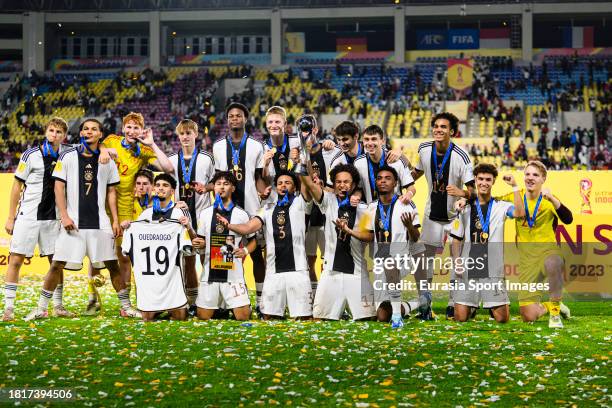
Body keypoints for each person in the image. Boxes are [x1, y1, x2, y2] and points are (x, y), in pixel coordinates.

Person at [25, 118, 140, 320]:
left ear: (100, 134)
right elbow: (58, 187)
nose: (89, 132)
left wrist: (114, 219)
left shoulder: (108, 160)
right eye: (85, 129)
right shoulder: (68, 156)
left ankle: (126, 307)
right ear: (81, 134)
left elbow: (112, 192)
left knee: (112, 265)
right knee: (56, 264)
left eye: (94, 129)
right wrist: (65, 216)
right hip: (74, 223)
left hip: (100, 223)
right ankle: (41, 308)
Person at [88, 112, 174, 314]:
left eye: (136, 128)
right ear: (123, 128)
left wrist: (152, 144)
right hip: (100, 202)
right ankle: (93, 298)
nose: (131, 131)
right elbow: (98, 144)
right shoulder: (112, 140)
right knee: (95, 255)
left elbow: (168, 167)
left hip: (126, 206)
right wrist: (103, 149)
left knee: (123, 256)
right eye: (129, 127)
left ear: (141, 131)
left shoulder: (144, 150)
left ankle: (124, 305)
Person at [3, 118, 74, 320]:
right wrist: (10, 217)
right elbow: (17, 186)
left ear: (64, 135)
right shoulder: (31, 155)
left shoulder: (68, 154)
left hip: (54, 218)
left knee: (56, 262)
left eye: (59, 132)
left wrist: (104, 150)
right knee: (16, 259)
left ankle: (58, 306)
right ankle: (9, 308)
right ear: (46, 132)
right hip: (28, 215)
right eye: (51, 130)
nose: (55, 134)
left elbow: (93, 145)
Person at [216, 170, 313, 320]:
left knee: (305, 317)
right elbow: (249, 227)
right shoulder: (267, 209)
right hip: (273, 271)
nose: (283, 186)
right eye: (280, 183)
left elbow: (309, 185)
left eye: (288, 183)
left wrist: (305, 155)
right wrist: (230, 226)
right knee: (268, 317)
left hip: (298, 270)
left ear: (294, 188)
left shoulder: (301, 203)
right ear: (276, 188)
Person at [342, 166, 424, 328]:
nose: (383, 181)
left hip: (401, 259)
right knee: (381, 316)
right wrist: (349, 231)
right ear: (376, 183)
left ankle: (397, 318)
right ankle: (419, 302)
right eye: (379, 178)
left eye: (387, 178)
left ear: (395, 183)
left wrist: (409, 226)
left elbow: (416, 237)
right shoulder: (370, 208)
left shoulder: (407, 204)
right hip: (380, 264)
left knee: (391, 265)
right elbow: (368, 235)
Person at [411, 112, 475, 320]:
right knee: (425, 260)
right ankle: (426, 304)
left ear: (452, 132)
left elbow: (474, 192)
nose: (438, 130)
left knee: (456, 262)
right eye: (436, 126)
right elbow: (417, 172)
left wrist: (462, 192)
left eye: (443, 127)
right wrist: (402, 181)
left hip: (455, 215)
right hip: (432, 213)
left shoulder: (462, 156)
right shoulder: (423, 149)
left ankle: (452, 302)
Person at [500, 161, 572, 328]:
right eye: (527, 174)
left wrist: (553, 198)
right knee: (529, 316)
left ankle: (554, 316)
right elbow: (489, 202)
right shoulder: (514, 196)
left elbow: (568, 219)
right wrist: (465, 198)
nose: (530, 178)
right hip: (527, 262)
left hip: (548, 251)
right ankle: (552, 306)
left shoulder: (548, 201)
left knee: (553, 262)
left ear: (543, 179)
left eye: (535, 175)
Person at [299, 163, 375, 321]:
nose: (342, 185)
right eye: (338, 182)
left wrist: (349, 231)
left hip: (357, 273)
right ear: (333, 184)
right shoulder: (328, 201)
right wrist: (302, 163)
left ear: (353, 185)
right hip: (331, 273)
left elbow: (368, 236)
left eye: (346, 182)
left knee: (369, 319)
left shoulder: (363, 209)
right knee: (319, 318)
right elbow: (309, 184)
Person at [450, 163, 525, 323]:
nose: (484, 183)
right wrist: (457, 261)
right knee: (460, 318)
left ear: (493, 181)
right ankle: (472, 307)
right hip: (468, 268)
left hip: (492, 270)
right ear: (475, 180)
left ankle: (485, 305)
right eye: (481, 179)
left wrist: (515, 186)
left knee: (502, 319)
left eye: (488, 180)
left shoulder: (501, 206)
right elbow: (456, 238)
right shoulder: (464, 207)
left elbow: (520, 213)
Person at [212, 102, 267, 314]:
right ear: (227, 120)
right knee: (225, 254)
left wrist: (264, 192)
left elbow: (259, 177)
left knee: (255, 255)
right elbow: (218, 180)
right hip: (226, 210)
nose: (235, 119)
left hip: (251, 209)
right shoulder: (218, 146)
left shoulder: (256, 145)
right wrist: (206, 187)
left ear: (246, 119)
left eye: (238, 116)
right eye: (231, 116)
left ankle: (261, 301)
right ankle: (226, 302)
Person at [122, 173, 195, 321]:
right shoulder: (146, 214)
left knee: (180, 317)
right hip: (151, 280)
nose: (161, 188)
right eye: (158, 185)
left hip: (172, 278)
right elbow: (129, 248)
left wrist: (188, 227)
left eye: (165, 186)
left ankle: (189, 302)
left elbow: (192, 243)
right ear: (154, 189)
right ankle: (159, 307)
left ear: (172, 191)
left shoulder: (179, 212)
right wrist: (128, 227)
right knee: (147, 317)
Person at [192, 171, 253, 321]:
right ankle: (222, 306)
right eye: (218, 184)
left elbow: (253, 241)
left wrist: (245, 250)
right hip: (209, 274)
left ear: (232, 188)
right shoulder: (205, 214)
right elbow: (201, 243)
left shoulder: (241, 214)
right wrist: (198, 243)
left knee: (243, 317)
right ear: (213, 188)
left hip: (233, 275)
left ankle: (234, 304)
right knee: (203, 317)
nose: (221, 187)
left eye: (226, 184)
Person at [167, 119, 215, 311]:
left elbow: (215, 182)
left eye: (189, 133)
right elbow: (166, 187)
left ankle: (209, 298)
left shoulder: (207, 158)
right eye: (182, 134)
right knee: (188, 261)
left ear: (196, 134)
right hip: (182, 220)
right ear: (178, 136)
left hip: (203, 217)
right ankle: (193, 302)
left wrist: (207, 188)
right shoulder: (171, 160)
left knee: (207, 259)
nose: (185, 137)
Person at [352, 125, 415, 204]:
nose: (370, 143)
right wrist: (356, 196)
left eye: (374, 139)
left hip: (394, 210)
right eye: (366, 139)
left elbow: (411, 187)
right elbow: (359, 188)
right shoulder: (358, 163)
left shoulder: (396, 160)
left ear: (382, 141)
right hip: (371, 211)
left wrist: (409, 195)